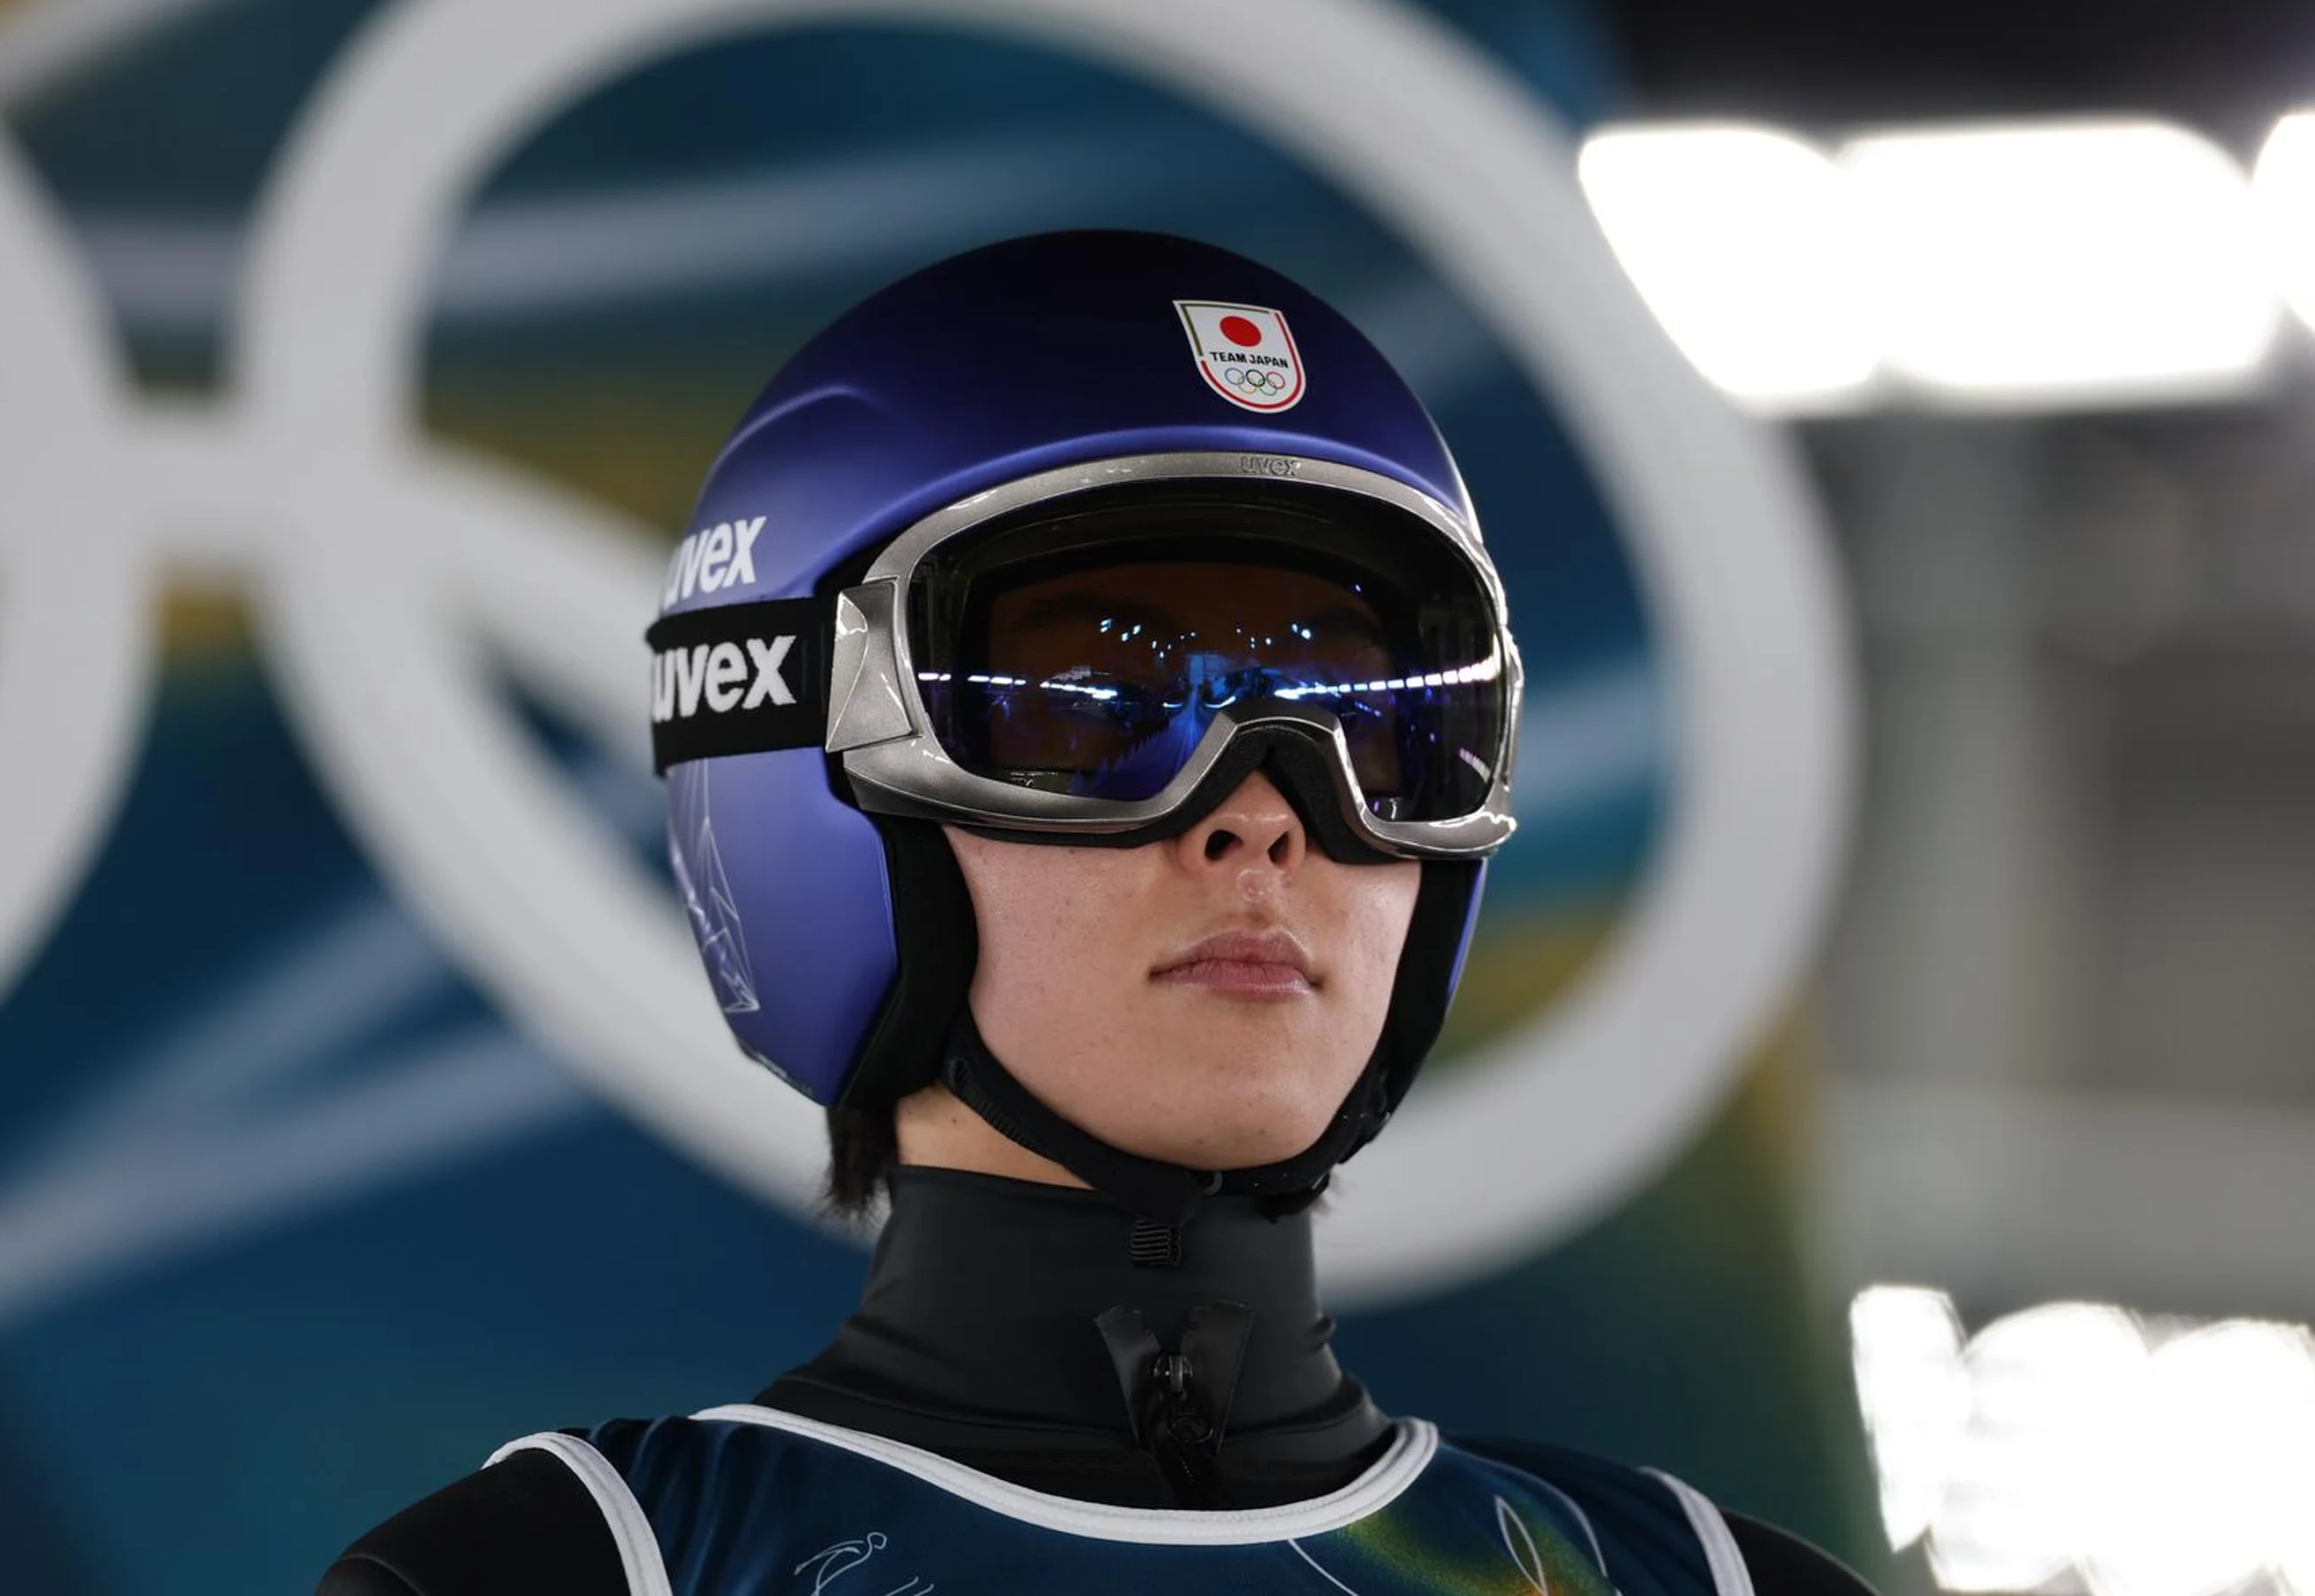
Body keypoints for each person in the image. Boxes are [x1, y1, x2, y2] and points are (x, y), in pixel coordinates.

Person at [316, 230, 1875, 1595]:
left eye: (1371, 716)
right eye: (1103, 706)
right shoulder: (569, 1574)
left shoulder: (1715, 1584)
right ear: (809, 768)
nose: (1264, 812)